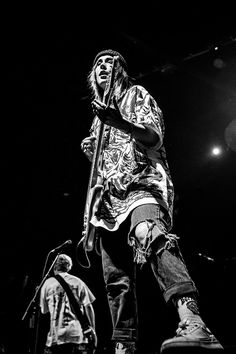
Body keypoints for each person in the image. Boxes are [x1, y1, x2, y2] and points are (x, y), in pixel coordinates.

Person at [80, 49, 224, 354]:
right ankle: (124, 346)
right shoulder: (96, 121)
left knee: (149, 233)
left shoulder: (135, 94)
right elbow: (104, 172)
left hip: (142, 184)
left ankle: (194, 322)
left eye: (110, 62)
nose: (103, 66)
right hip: (110, 205)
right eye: (98, 64)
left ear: (120, 70)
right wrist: (94, 154)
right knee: (115, 278)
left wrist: (119, 122)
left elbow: (153, 137)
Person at [40, 253, 96, 354]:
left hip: (56, 336)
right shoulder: (78, 282)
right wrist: (93, 330)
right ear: (69, 267)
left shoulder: (47, 284)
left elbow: (44, 311)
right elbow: (88, 307)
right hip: (77, 335)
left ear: (54, 266)